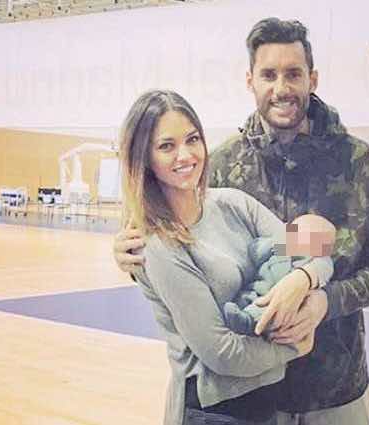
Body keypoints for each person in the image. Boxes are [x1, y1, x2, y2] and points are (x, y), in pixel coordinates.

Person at [115, 18, 369, 425]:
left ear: (312, 79)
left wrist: (321, 299)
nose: (281, 88)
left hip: (334, 387)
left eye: (293, 74)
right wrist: (127, 255)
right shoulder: (224, 164)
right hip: (249, 398)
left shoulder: (356, 162)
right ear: (250, 81)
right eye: (268, 74)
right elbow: (180, 252)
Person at [119, 89, 336, 425]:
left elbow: (315, 253)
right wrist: (295, 348)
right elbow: (222, 354)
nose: (185, 155)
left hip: (265, 398)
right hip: (212, 410)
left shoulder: (234, 204)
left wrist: (303, 278)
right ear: (144, 158)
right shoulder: (160, 245)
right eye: (166, 146)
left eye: (192, 139)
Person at [224, 214, 336, 336]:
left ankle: (247, 323)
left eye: (314, 240)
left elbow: (325, 269)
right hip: (258, 287)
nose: (303, 242)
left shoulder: (313, 260)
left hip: (287, 301)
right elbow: (255, 252)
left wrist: (308, 275)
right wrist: (275, 243)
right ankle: (236, 315)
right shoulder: (279, 246)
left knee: (269, 313)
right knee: (245, 297)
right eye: (298, 233)